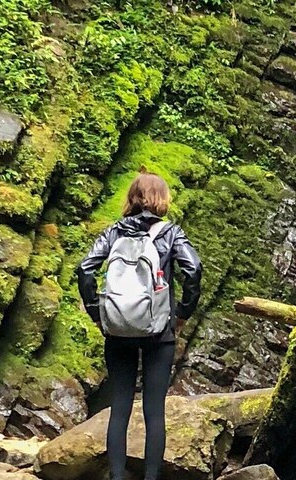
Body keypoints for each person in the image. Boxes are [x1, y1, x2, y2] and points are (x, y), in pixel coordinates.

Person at [77, 171, 202, 480]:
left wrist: (97, 313)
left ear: (131, 198)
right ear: (161, 199)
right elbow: (194, 269)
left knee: (120, 406)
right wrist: (182, 314)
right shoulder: (170, 233)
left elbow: (85, 269)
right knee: (153, 410)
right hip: (159, 331)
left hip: (118, 329)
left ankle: (117, 476)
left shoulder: (113, 233)